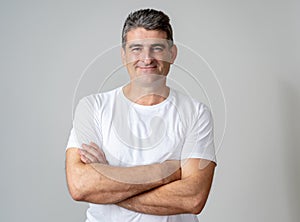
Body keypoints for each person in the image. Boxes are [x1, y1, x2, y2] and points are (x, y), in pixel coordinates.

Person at [65, 8, 217, 222]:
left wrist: (107, 184)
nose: (147, 59)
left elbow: (192, 198)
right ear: (123, 55)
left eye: (157, 48)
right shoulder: (93, 108)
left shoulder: (195, 113)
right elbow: (80, 186)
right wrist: (166, 172)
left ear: (172, 54)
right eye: (136, 49)